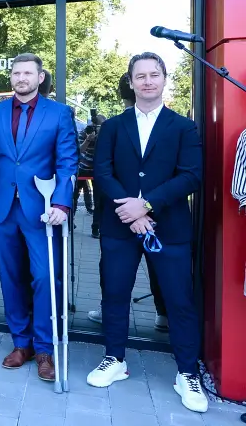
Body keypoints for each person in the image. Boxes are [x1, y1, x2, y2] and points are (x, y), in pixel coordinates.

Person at [88, 52, 206, 413]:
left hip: (168, 227)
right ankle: (115, 359)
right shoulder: (113, 126)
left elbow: (191, 175)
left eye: (154, 74)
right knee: (114, 293)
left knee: (178, 300)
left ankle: (187, 373)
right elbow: (102, 171)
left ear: (164, 78)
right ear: (131, 82)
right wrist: (132, 211)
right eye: (140, 76)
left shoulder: (183, 127)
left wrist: (147, 205)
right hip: (120, 225)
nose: (148, 81)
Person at [0, 53, 78, 382]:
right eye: (16, 73)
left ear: (40, 77)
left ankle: (45, 347)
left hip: (42, 210)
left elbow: (67, 162)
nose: (21, 78)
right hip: (1, 209)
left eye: (27, 73)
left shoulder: (59, 113)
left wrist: (62, 203)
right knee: (11, 278)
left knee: (45, 277)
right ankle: (22, 343)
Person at [87, 73, 168, 331]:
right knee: (152, 265)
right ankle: (162, 312)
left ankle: (110, 310)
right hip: (143, 212)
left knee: (115, 270)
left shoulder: (114, 126)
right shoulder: (117, 125)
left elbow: (103, 171)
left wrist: (138, 208)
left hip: (125, 211)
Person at [74, 112, 102, 238]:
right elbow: (79, 151)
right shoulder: (83, 133)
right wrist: (88, 139)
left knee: (99, 200)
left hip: (97, 169)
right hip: (82, 167)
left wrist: (100, 138)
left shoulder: (105, 136)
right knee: (74, 196)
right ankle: (69, 221)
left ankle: (96, 227)